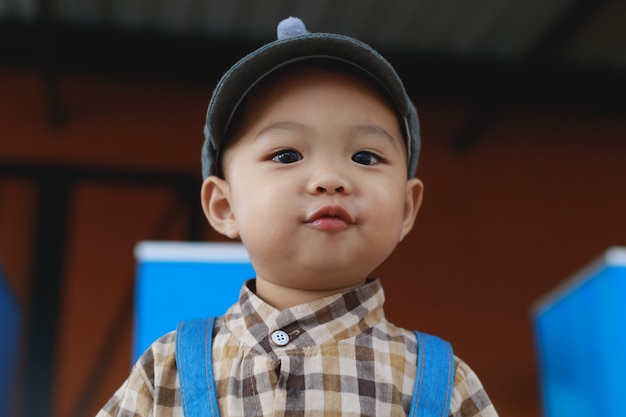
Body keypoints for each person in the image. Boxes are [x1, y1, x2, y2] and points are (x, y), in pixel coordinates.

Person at [97, 17, 498, 417]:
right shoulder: (169, 371)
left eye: (365, 157)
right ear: (224, 206)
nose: (330, 179)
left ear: (407, 208)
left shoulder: (442, 384)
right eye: (287, 155)